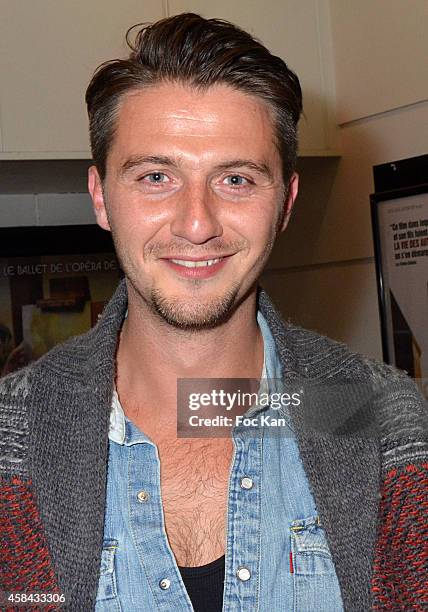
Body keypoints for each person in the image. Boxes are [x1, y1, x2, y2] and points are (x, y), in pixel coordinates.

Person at [1, 13, 427, 612]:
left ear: (285, 203)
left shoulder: (374, 416)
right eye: (155, 176)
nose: (196, 224)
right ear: (100, 197)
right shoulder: (15, 435)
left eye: (235, 179)